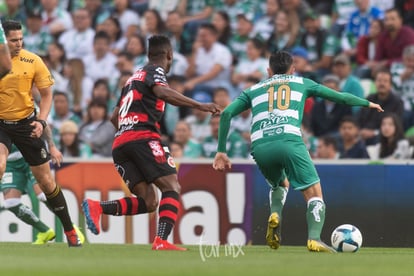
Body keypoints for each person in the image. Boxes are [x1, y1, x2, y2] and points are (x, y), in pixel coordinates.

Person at [212, 50, 383, 252]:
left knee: (279, 184)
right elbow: (339, 97)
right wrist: (367, 103)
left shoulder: (253, 89)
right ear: (293, 70)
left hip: (260, 145)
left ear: (268, 70)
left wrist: (221, 150)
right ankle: (314, 238)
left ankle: (275, 214)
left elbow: (226, 114)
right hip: (289, 140)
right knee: (314, 193)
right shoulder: (302, 83)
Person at [82, 35, 220, 251]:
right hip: (143, 137)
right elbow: (163, 92)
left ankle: (97, 207)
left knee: (149, 201)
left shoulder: (131, 79)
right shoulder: (155, 71)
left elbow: (113, 117)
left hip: (120, 144)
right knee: (171, 186)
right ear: (169, 55)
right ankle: (161, 241)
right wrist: (200, 106)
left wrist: (128, 132)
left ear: (148, 53)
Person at [0, 20, 82, 247]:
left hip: (27, 124)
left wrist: (42, 122)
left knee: (47, 184)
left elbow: (46, 96)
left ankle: (69, 230)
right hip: (1, 125)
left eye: (20, 39)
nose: (18, 43)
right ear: (3, 40)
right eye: (13, 39)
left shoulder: (33, 60)